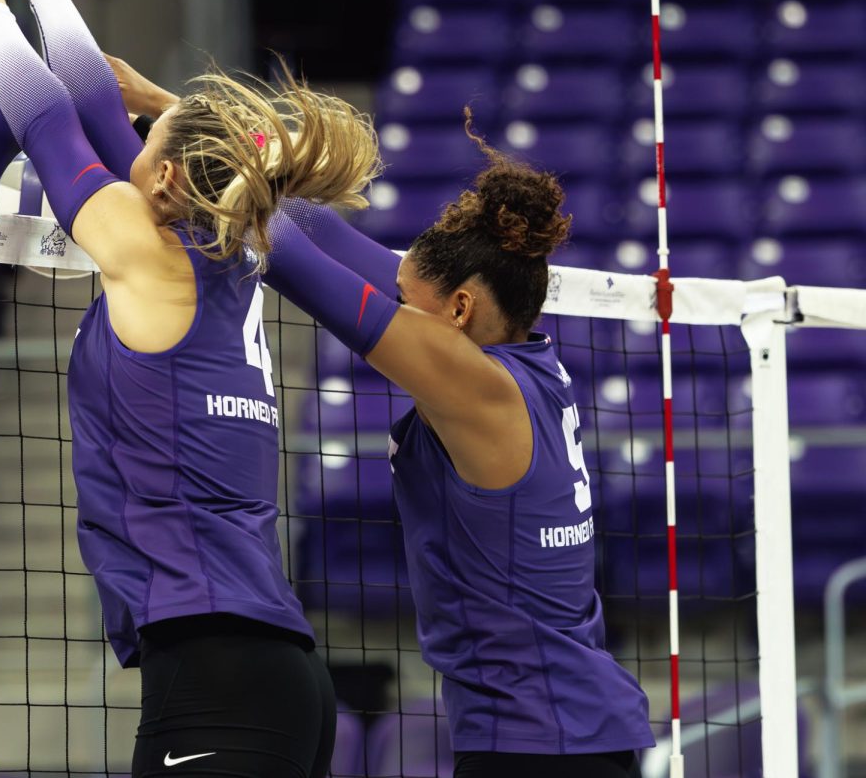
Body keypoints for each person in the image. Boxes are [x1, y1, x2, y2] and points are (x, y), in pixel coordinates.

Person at [0, 0, 383, 777]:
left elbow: (52, 126)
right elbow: (105, 115)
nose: (134, 151)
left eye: (150, 151)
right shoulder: (235, 237)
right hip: (269, 671)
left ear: (170, 179)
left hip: (218, 668)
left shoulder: (147, 250)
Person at [107, 60, 656, 776]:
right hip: (554, 733)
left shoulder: (477, 384)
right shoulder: (524, 369)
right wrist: (175, 114)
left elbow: (298, 262)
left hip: (540, 742)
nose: (393, 301)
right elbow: (320, 233)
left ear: (460, 310)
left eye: (406, 298)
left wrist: (177, 160)